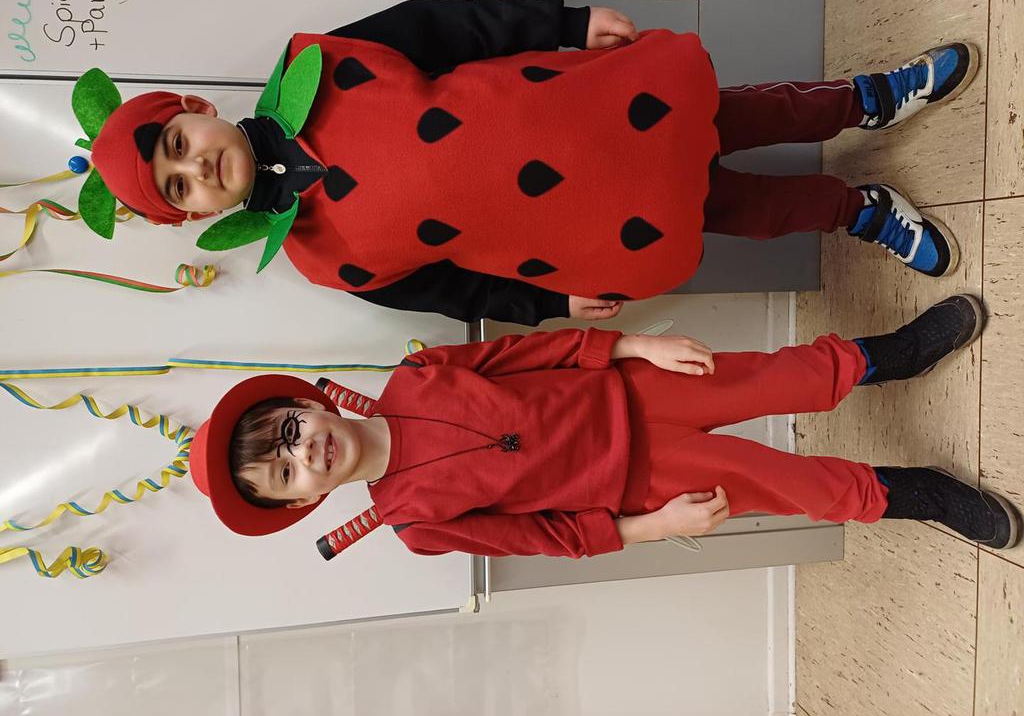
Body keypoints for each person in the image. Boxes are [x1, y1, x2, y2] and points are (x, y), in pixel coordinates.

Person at [74, 0, 976, 326]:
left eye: (179, 147)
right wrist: (547, 303)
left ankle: (866, 98)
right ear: (195, 217)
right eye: (179, 190)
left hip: (596, 113)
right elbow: (452, 292)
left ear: (194, 112)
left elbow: (448, 30)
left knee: (739, 114)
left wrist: (564, 24)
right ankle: (855, 210)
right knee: (730, 208)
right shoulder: (325, 260)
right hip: (585, 225)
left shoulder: (323, 62)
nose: (197, 171)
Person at [187, 294, 1019, 558]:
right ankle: (918, 495)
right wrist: (657, 526)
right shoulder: (415, 525)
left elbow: (527, 353)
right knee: (790, 485)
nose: (304, 454)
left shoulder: (417, 374)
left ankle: (891, 355)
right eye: (287, 474)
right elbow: (543, 537)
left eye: (288, 432)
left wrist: (636, 345)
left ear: (306, 404)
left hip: (635, 391)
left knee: (783, 374)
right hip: (639, 483)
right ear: (303, 502)